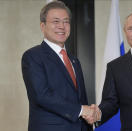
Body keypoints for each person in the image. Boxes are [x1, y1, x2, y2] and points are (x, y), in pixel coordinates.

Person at [21, 1, 94, 131]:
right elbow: (41, 96)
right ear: (42, 26)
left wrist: (90, 116)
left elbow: (81, 100)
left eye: (66, 21)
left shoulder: (74, 60)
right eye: (55, 21)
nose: (62, 26)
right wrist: (82, 110)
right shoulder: (32, 56)